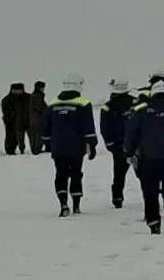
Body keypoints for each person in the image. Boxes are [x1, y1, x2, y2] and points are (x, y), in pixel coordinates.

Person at [124, 80, 164, 235]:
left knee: (150, 191)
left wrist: (129, 151)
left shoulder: (142, 109)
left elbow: (132, 131)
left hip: (149, 157)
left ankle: (154, 223)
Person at [41, 73, 98, 217]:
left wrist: (47, 141)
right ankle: (76, 205)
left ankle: (63, 203)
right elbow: (88, 126)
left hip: (58, 146)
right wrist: (92, 144)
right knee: (76, 173)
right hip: (76, 146)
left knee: (60, 174)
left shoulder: (53, 103)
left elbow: (45, 126)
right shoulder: (83, 103)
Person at [100, 77, 135, 209]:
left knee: (119, 174)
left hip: (118, 146)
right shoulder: (136, 102)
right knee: (145, 173)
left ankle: (117, 197)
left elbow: (105, 127)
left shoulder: (108, 106)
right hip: (137, 145)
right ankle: (151, 196)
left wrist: (110, 144)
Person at [1, 82, 31, 155]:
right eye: (15, 90)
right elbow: (5, 111)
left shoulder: (28, 98)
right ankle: (10, 150)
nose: (17, 91)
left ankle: (34, 149)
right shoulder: (6, 99)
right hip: (11, 122)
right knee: (11, 137)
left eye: (19, 90)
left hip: (26, 120)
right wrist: (10, 117)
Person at [28, 81, 48, 155]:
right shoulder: (37, 96)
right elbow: (40, 108)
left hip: (35, 120)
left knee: (36, 136)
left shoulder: (36, 96)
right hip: (37, 120)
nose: (43, 89)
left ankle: (36, 149)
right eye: (42, 88)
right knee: (37, 135)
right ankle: (36, 150)